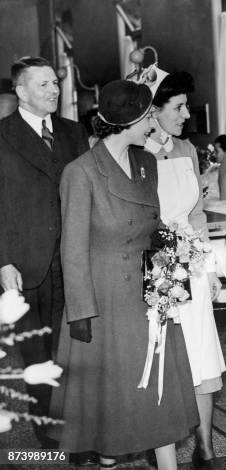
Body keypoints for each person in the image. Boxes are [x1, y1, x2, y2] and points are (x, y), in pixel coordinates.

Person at [48, 80, 198, 470]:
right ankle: (109, 454)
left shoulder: (147, 163)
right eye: (148, 113)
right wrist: (80, 312)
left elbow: (155, 228)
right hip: (104, 299)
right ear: (129, 119)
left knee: (157, 390)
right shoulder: (80, 172)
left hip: (148, 293)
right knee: (113, 404)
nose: (153, 120)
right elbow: (73, 248)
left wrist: (173, 271)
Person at [0, 56, 89, 447]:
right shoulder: (1, 135)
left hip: (72, 260)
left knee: (73, 351)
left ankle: (78, 434)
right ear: (21, 91)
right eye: (43, 84)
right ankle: (49, 441)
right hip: (25, 265)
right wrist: (2, 262)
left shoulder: (73, 133)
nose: (53, 90)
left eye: (55, 82)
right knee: (38, 355)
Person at [141, 67, 225, 468]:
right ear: (152, 111)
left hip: (190, 260)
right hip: (154, 266)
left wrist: (209, 269)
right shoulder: (134, 154)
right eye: (178, 106)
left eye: (186, 105)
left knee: (202, 355)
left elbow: (197, 216)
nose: (187, 113)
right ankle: (165, 454)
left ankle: (206, 449)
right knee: (164, 359)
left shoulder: (189, 150)